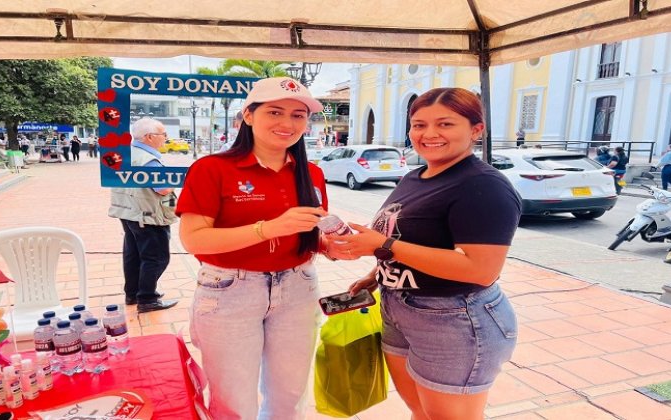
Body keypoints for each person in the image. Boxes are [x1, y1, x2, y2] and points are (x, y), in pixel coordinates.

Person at [327, 87, 521, 420]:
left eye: (445, 124)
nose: (429, 134)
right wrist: (377, 275)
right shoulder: (415, 177)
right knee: (420, 410)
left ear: (477, 130)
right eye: (419, 125)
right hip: (398, 308)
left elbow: (480, 270)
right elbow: (415, 239)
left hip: (454, 319)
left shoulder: (483, 185)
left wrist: (383, 246)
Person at [176, 77, 329, 419]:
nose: (287, 124)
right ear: (248, 116)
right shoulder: (212, 169)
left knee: (289, 396)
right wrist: (268, 229)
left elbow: (310, 232)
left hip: (298, 288)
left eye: (298, 115)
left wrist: (333, 243)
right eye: (275, 112)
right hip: (230, 291)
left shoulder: (312, 174)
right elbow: (194, 239)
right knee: (235, 402)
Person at [108, 118, 178, 313]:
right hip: (147, 214)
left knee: (133, 254)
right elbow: (163, 189)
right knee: (155, 257)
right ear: (149, 137)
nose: (165, 138)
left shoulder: (127, 154)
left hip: (128, 211)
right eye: (163, 134)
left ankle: (133, 293)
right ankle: (147, 298)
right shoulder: (149, 161)